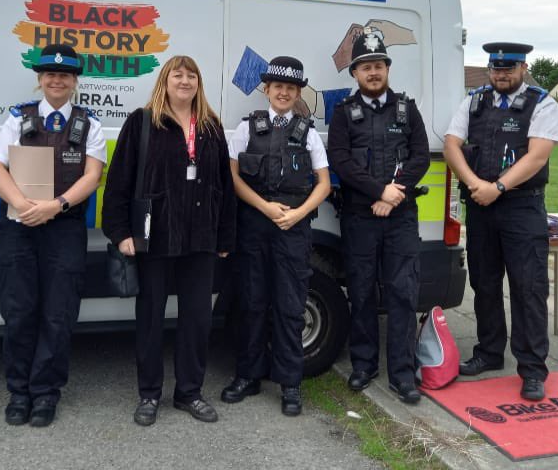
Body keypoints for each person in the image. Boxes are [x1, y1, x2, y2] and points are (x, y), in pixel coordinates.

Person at [102, 55, 236, 427]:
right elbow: (119, 183)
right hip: (154, 236)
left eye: (191, 75)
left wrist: (225, 234)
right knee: (150, 317)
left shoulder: (210, 127)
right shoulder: (142, 122)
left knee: (197, 319)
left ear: (198, 83)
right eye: (177, 74)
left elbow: (224, 186)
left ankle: (189, 392)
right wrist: (120, 233)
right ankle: (149, 394)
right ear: (165, 81)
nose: (184, 80)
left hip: (201, 238)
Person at [0, 44, 106, 427]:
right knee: (19, 311)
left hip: (64, 227)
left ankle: (46, 393)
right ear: (40, 80)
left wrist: (55, 206)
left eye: (65, 75)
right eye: (50, 74)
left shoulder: (90, 124)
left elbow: (92, 176)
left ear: (74, 82)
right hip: (19, 227)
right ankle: (19, 392)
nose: (57, 80)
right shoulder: (18, 119)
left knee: (58, 314)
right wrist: (24, 205)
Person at [443, 42, 558, 401]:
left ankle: (532, 369)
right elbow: (452, 145)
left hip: (522, 209)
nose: (501, 75)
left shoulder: (543, 103)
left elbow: (537, 156)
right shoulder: (474, 100)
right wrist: (474, 183)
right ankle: (490, 352)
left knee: (528, 288)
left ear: (523, 68)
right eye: (496, 69)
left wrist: (497, 186)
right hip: (482, 206)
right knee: (485, 282)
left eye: (508, 69)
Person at [221, 56, 331, 416]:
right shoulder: (246, 129)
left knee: (289, 306)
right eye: (277, 87)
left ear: (298, 93)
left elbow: (324, 184)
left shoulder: (308, 132)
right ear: (266, 90)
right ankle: (248, 376)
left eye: (290, 88)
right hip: (255, 226)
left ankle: (290, 384)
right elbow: (233, 178)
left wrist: (298, 214)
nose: (283, 93)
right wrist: (265, 208)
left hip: (293, 231)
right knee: (251, 302)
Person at [327, 31, 429, 404]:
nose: (373, 72)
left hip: (400, 216)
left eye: (378, 65)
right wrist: (377, 191)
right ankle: (364, 365)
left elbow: (419, 156)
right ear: (354, 73)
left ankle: (403, 374)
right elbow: (341, 160)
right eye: (365, 67)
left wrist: (394, 192)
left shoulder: (407, 109)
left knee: (403, 294)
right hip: (359, 216)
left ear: (387, 68)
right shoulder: (343, 113)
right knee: (362, 291)